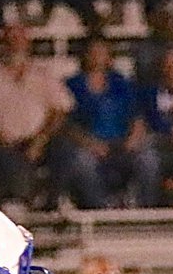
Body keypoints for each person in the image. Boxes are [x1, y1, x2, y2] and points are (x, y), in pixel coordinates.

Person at [0, 23, 73, 206]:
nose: (15, 44)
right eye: (10, 39)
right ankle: (21, 200)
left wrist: (40, 140)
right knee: (3, 156)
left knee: (65, 150)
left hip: (38, 139)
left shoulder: (43, 73)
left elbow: (61, 109)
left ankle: (51, 203)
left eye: (20, 39)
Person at [64, 39, 162, 209]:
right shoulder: (72, 85)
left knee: (149, 159)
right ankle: (100, 207)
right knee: (82, 162)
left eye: (101, 52)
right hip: (91, 145)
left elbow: (137, 117)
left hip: (122, 143)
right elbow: (67, 125)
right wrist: (91, 144)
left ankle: (144, 209)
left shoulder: (121, 84)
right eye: (93, 52)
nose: (97, 57)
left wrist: (132, 140)